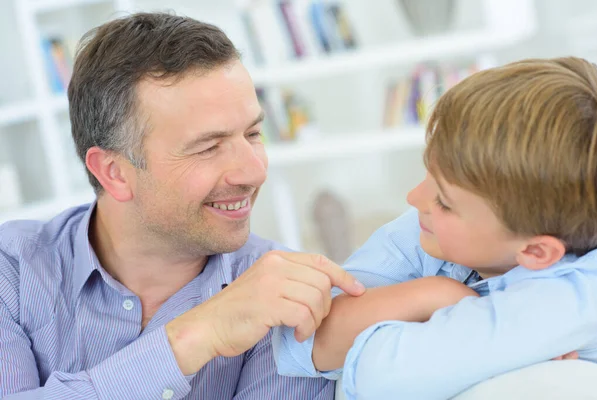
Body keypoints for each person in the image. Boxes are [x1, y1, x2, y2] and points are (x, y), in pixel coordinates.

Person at [0, 13, 369, 399]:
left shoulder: (287, 298)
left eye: (253, 134)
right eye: (208, 147)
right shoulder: (13, 269)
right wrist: (195, 337)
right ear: (114, 172)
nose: (254, 170)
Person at [273, 57, 597, 399]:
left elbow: (378, 376)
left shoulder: (577, 297)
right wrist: (441, 294)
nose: (414, 197)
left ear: (535, 251)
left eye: (444, 201)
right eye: (429, 172)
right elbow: (307, 341)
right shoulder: (423, 233)